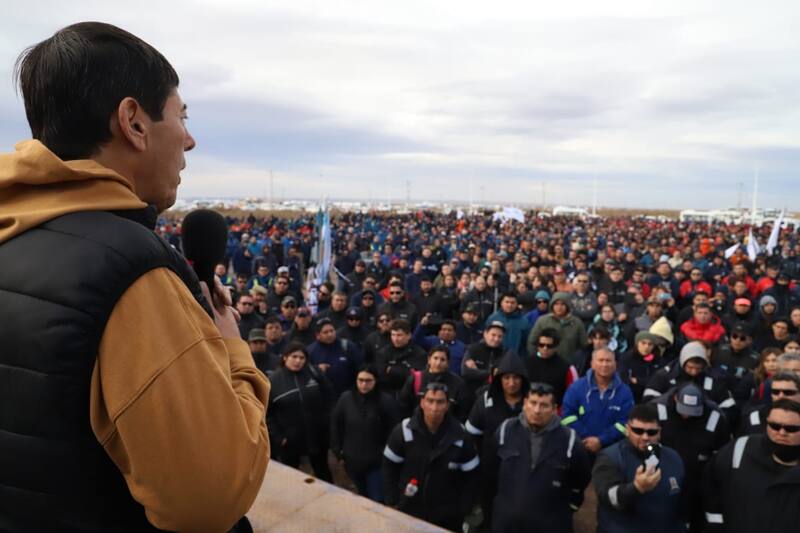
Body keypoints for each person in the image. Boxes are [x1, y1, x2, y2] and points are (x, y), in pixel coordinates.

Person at [0, 22, 270, 532]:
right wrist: (235, 353)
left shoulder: (12, 231)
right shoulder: (130, 274)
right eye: (180, 116)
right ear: (134, 122)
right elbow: (210, 500)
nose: (189, 140)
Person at [486, 382, 592, 533]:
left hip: (550, 526)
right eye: (533, 403)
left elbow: (581, 480)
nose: (537, 410)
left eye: (544, 405)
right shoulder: (506, 431)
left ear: (555, 409)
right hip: (506, 524)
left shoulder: (570, 441)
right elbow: (491, 472)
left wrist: (568, 510)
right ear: (524, 403)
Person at [382, 382, 481, 531]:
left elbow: (472, 476)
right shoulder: (403, 431)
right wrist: (392, 500)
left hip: (447, 516)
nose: (434, 408)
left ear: (447, 405)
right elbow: (389, 465)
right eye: (430, 401)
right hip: (409, 510)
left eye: (440, 402)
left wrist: (463, 509)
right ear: (422, 403)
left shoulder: (460, 435)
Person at [703, 399, 800, 532]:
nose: (782, 432)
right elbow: (710, 488)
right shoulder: (740, 448)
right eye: (774, 426)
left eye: (791, 429)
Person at [593, 403, 687, 533]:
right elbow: (607, 498)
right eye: (638, 431)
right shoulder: (610, 457)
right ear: (627, 429)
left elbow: (681, 503)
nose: (645, 437)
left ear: (659, 432)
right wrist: (637, 488)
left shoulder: (674, 458)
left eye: (651, 432)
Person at [653, 383, 730, 533]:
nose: (686, 416)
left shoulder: (716, 417)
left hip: (698, 479)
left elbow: (722, 451)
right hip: (663, 477)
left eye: (692, 412)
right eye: (684, 411)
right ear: (676, 399)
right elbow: (648, 444)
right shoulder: (657, 410)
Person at [330, 365, 398, 503]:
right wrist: (337, 450)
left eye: (368, 381)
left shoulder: (386, 401)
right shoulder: (346, 398)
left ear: (376, 381)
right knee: (362, 495)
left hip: (376, 461)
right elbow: (336, 425)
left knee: (377, 498)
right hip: (352, 459)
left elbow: (393, 429)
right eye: (360, 380)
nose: (363, 384)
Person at [268, 343, 333, 482]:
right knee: (290, 476)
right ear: (285, 357)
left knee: (323, 471)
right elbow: (268, 413)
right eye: (294, 357)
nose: (298, 361)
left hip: (317, 435)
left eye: (302, 357)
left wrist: (327, 424)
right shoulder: (273, 381)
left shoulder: (314, 373)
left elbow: (329, 397)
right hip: (290, 439)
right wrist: (279, 437)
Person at [562, 347, 634, 454]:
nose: (604, 364)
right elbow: (567, 417)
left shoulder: (625, 392)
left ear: (615, 364)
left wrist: (601, 440)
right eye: (600, 360)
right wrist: (587, 438)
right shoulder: (576, 388)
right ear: (592, 364)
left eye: (608, 361)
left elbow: (626, 423)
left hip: (612, 452)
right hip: (579, 448)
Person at [398, 346, 471, 421]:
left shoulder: (457, 383)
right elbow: (403, 406)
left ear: (448, 363)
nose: (438, 363)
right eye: (435, 358)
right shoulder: (415, 379)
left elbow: (463, 411)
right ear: (429, 360)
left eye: (442, 360)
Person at [527, 291, 588, 368]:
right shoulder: (542, 321)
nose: (559, 307)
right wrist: (538, 357)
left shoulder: (577, 323)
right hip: (545, 364)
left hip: (568, 365)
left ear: (567, 306)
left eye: (562, 304)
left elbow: (584, 345)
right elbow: (532, 341)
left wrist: (577, 361)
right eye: (556, 304)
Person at [307, 318, 362, 398]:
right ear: (318, 335)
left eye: (332, 331)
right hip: (323, 397)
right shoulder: (310, 351)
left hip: (348, 395)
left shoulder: (347, 346)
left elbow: (360, 368)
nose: (330, 334)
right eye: (325, 332)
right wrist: (316, 370)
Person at [524, 328, 579, 404]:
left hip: (555, 412)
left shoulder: (567, 368)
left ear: (556, 346)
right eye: (541, 345)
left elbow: (574, 393)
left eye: (549, 346)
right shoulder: (526, 363)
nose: (545, 348)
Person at [374, 319, 428, 396]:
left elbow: (417, 377)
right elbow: (382, 376)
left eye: (399, 335)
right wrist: (406, 371)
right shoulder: (383, 352)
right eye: (393, 335)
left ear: (409, 335)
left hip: (410, 394)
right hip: (387, 393)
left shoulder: (419, 353)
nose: (395, 339)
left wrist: (393, 370)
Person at [618, 331, 668, 402]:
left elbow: (658, 382)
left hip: (651, 398)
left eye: (650, 344)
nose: (646, 347)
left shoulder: (658, 360)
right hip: (631, 396)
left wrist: (638, 381)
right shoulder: (626, 358)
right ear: (637, 343)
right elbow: (624, 379)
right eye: (643, 343)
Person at [462, 321, 507, 395]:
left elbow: (503, 375)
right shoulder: (473, 349)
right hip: (471, 393)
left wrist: (478, 371)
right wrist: (491, 372)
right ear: (485, 334)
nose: (496, 339)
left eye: (500, 336)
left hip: (495, 393)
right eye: (493, 335)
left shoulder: (505, 353)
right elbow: (466, 372)